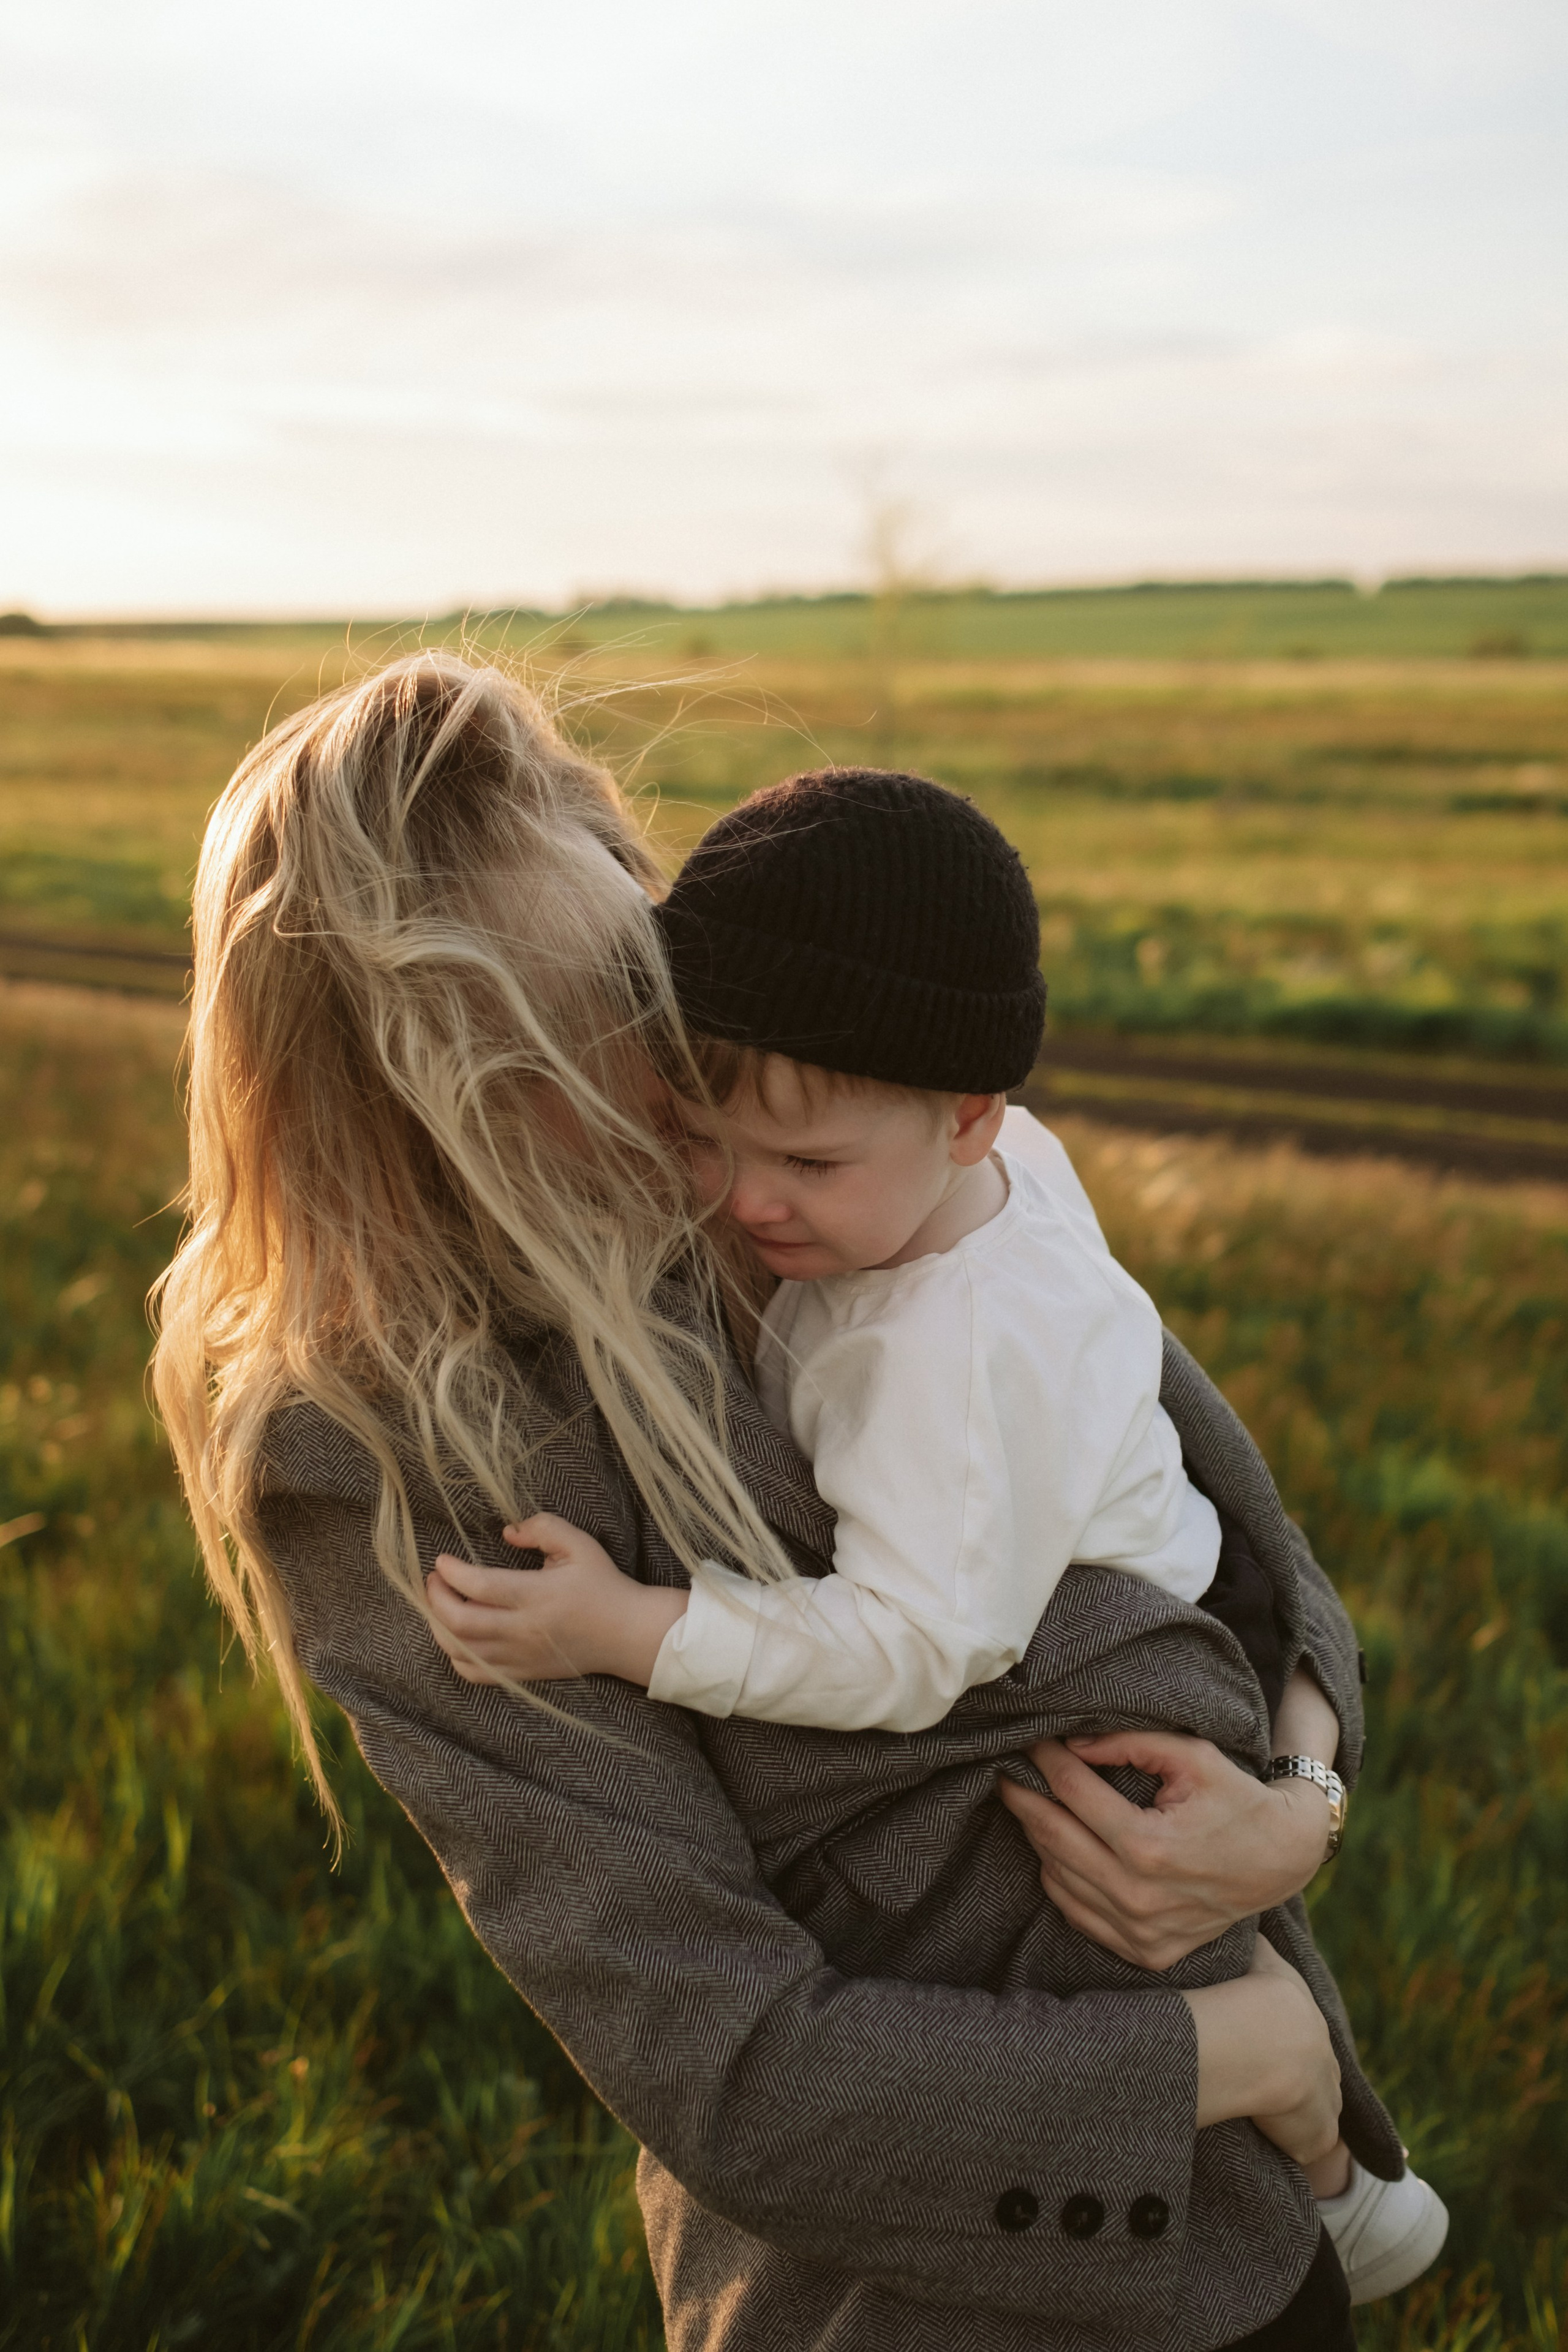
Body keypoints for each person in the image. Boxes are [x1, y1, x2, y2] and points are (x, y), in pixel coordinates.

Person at [155, 653, 1408, 2351]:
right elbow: (736, 2061)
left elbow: (1223, 1504)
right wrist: (1214, 2061)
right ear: (393, 1095)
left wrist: (1302, 1803)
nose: (644, 1098)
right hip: (921, 2294)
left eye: (637, 1005)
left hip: (1259, 2244)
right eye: (539, 1048)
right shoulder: (374, 1452)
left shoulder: (835, 1162)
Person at [422, 767, 1447, 2310]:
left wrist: (622, 1628)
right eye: (705, 1141)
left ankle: (1325, 2185)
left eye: (809, 1167)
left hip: (1099, 1677)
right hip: (1117, 1619)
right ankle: (1334, 2185)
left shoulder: (948, 1355)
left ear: (972, 1117)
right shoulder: (978, 1177)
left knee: (1105, 1890)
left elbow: (907, 1651)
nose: (745, 1201)